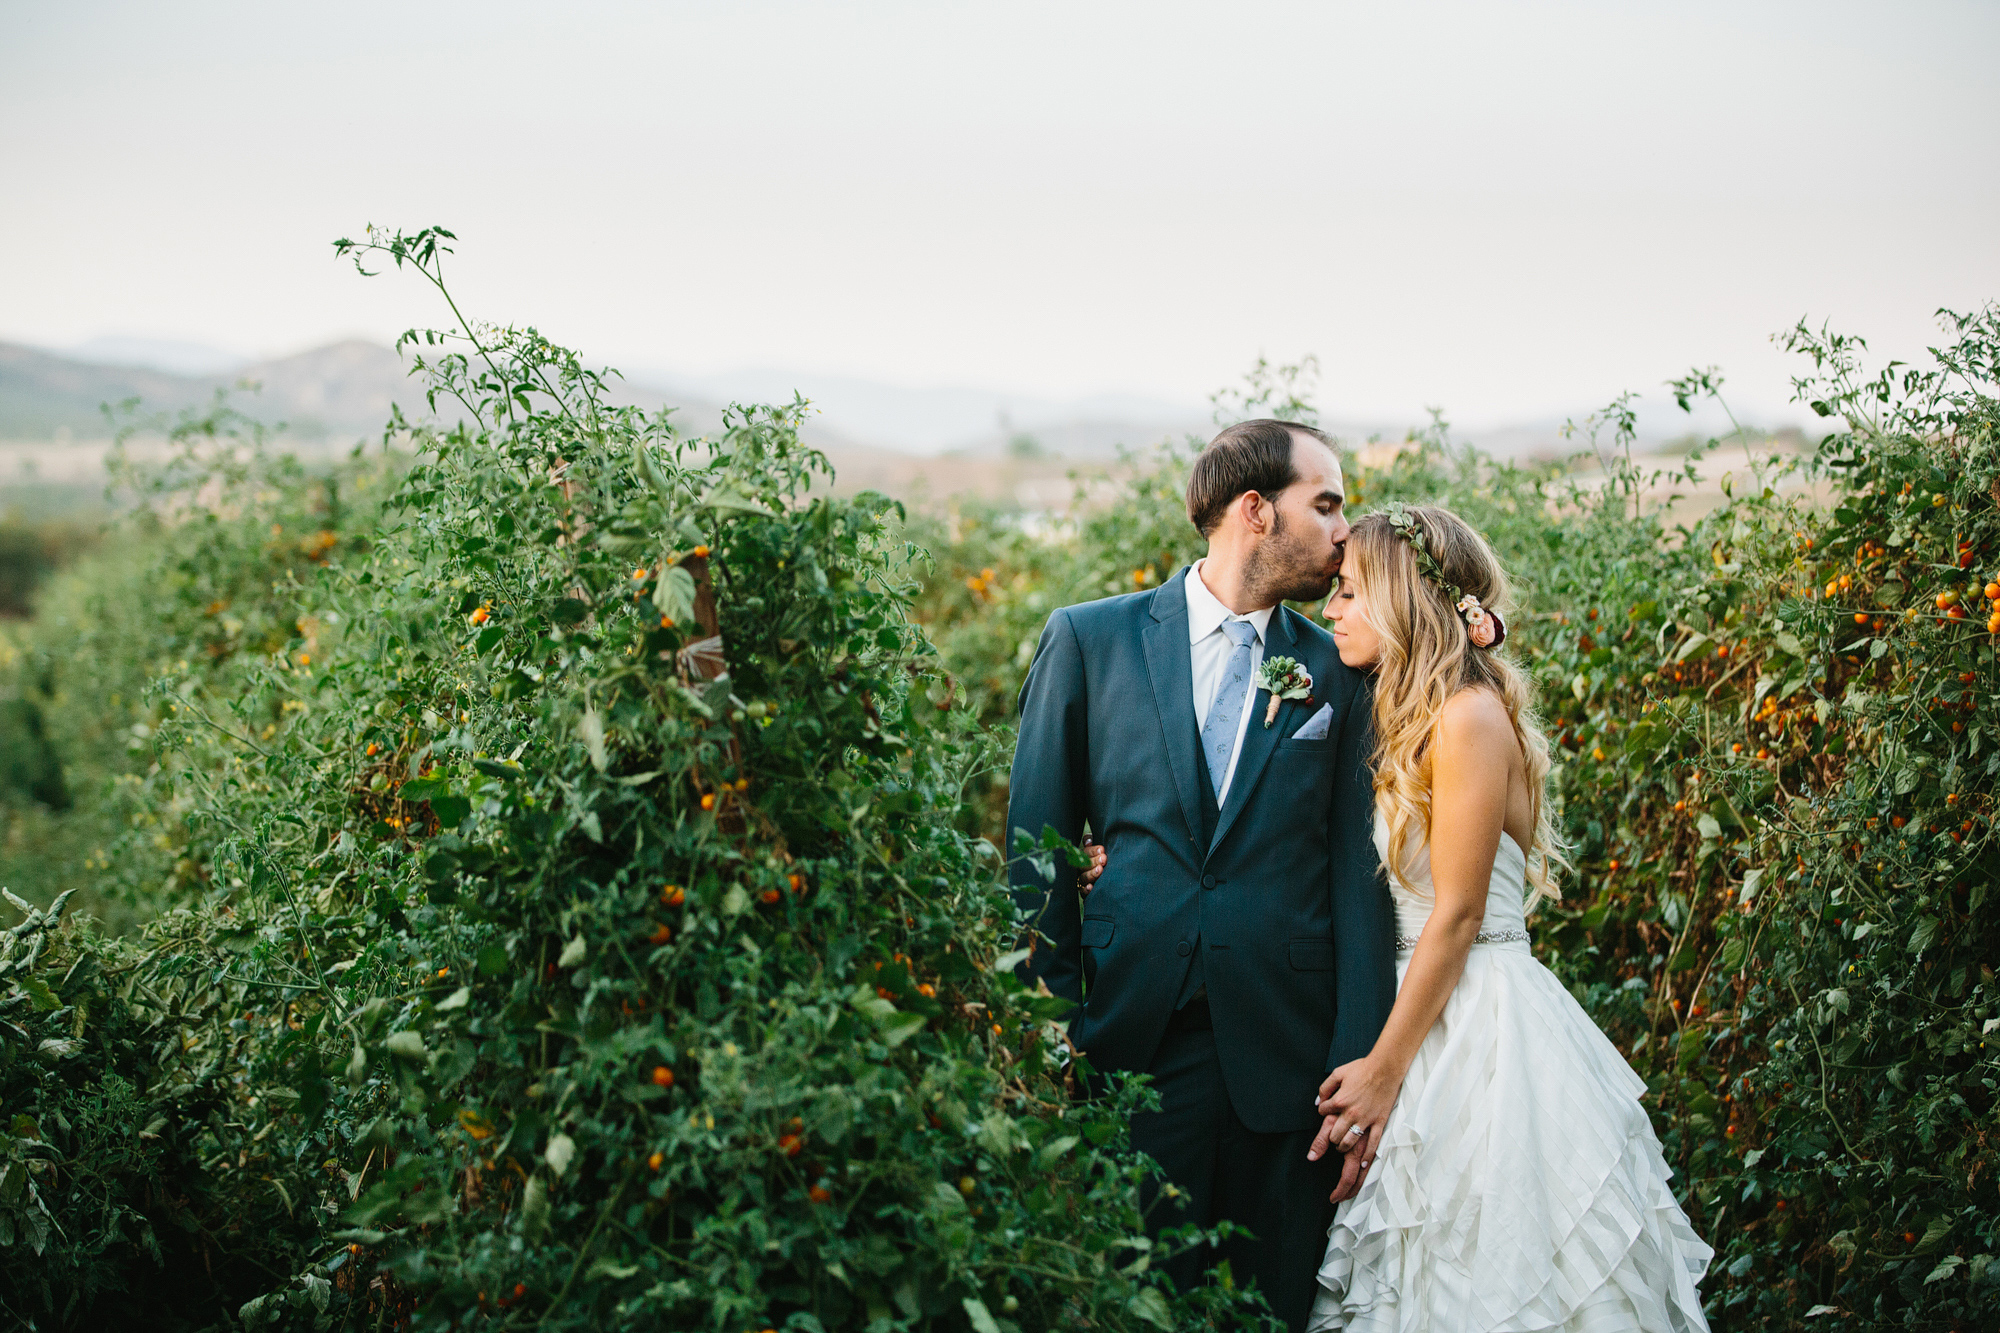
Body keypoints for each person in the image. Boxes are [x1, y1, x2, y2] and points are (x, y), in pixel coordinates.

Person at [1007, 419, 1400, 1332]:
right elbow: (1039, 849)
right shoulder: (1088, 640)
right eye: (1328, 502)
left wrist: (1360, 1069)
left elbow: (1359, 880)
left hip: (1293, 1070)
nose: (1346, 529)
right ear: (1256, 511)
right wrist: (1051, 1028)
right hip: (1131, 1045)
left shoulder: (1339, 674)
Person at [1298, 503, 1713, 1330]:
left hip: (1479, 1019)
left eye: (1348, 592)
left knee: (1496, 1264)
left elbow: (1454, 915)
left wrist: (1383, 1068)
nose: (1331, 611)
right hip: (1420, 1003)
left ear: (1403, 597)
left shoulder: (1468, 716)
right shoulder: (1410, 712)